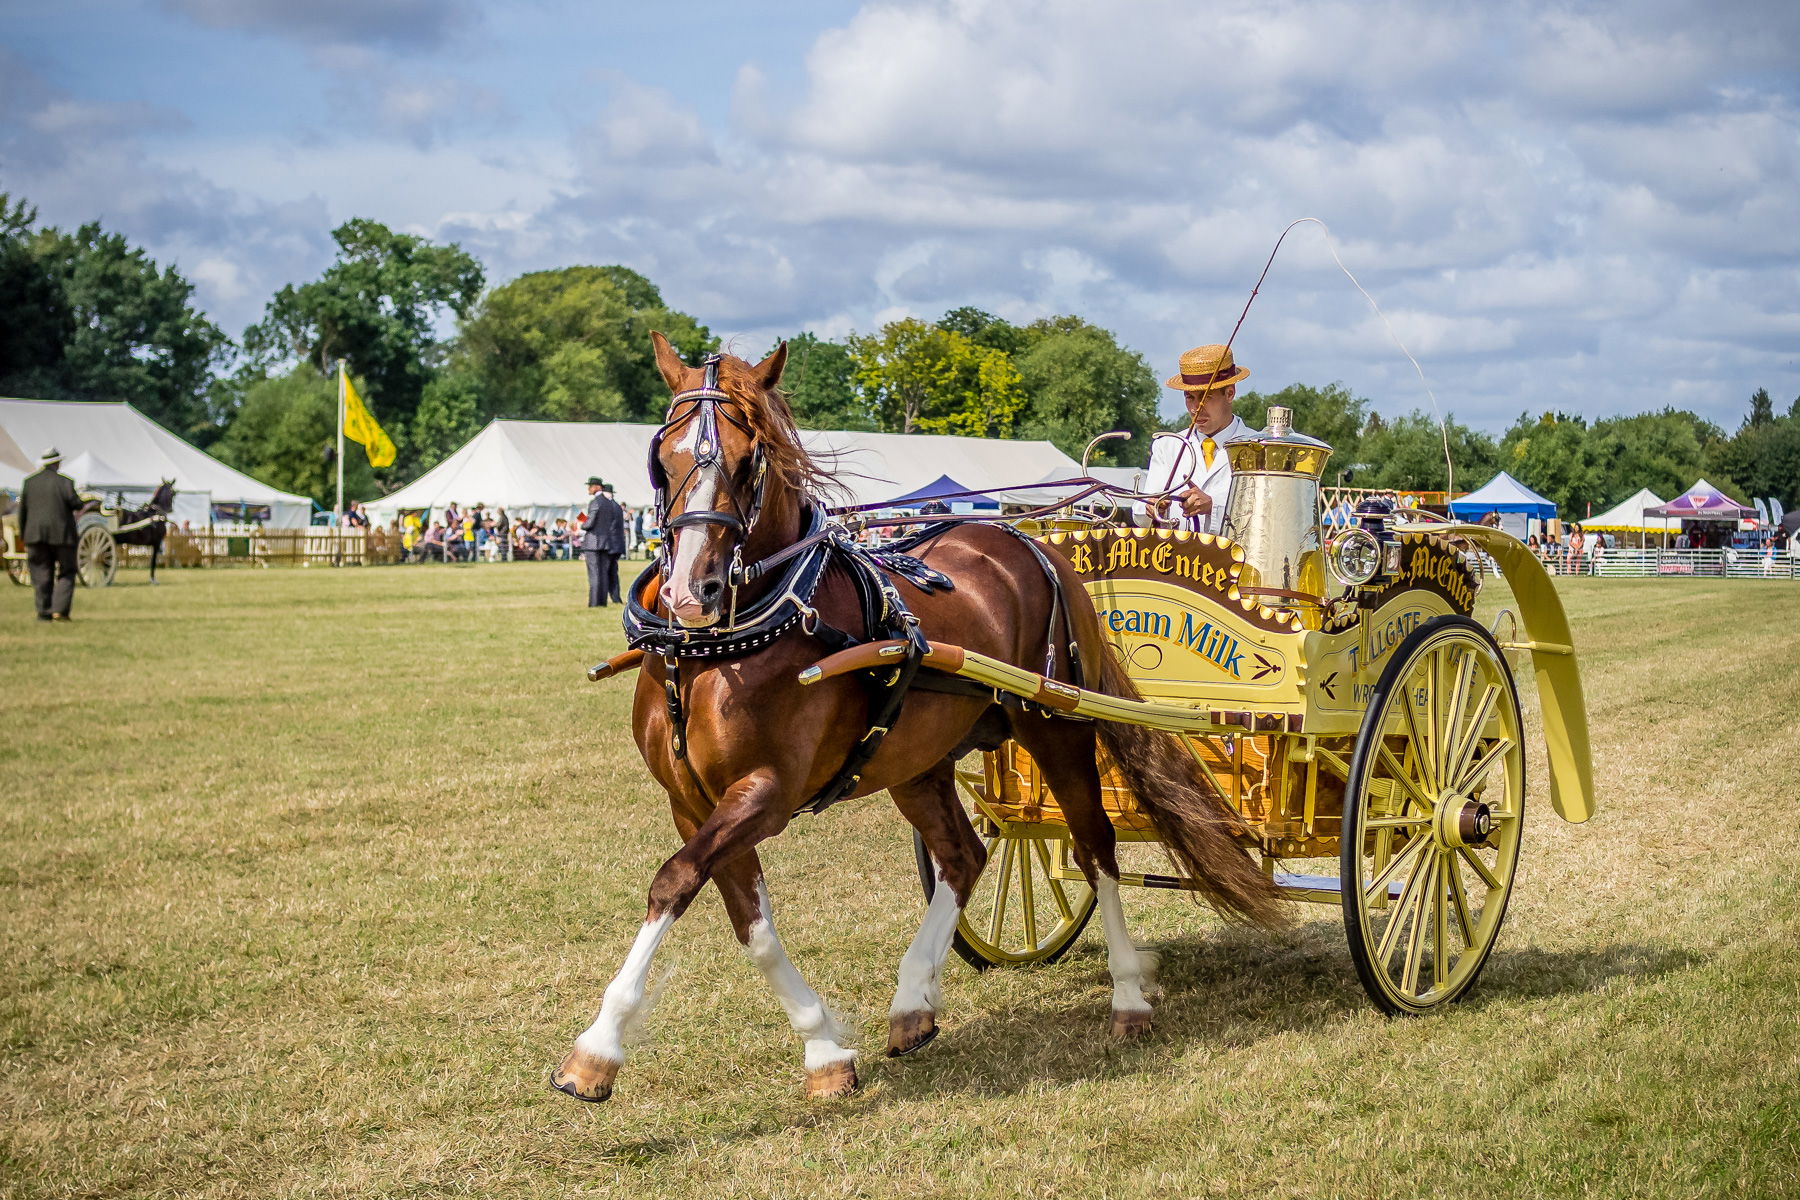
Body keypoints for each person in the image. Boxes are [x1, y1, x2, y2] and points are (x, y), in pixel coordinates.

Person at [1135, 344, 1252, 535]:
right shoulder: (1167, 445)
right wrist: (1152, 507)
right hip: (1176, 561)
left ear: (1230, 393)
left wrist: (1213, 507)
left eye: (1206, 397)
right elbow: (1141, 516)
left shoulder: (1258, 448)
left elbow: (1262, 516)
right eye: (1189, 397)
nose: (1196, 408)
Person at [18, 447, 83, 621]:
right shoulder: (66, 482)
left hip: (35, 535)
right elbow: (76, 504)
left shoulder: (29, 482)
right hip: (62, 535)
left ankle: (43, 612)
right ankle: (60, 611)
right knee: (67, 572)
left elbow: (22, 512)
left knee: (40, 573)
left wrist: (24, 534)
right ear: (57, 463)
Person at [581, 477, 626, 606]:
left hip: (594, 543)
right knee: (604, 574)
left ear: (597, 487)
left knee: (594, 574)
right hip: (607, 544)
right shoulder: (612, 504)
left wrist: (582, 524)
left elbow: (590, 523)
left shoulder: (595, 502)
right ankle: (603, 602)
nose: (588, 488)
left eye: (590, 486)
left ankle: (595, 602)